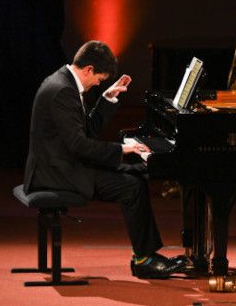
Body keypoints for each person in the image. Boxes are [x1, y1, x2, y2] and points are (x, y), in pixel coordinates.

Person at [23, 40, 187, 279]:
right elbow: (79, 145)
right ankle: (144, 258)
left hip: (63, 162)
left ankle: (145, 254)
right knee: (131, 187)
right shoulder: (62, 90)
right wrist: (122, 149)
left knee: (137, 170)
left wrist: (107, 99)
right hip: (56, 172)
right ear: (89, 69)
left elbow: (85, 131)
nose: (98, 84)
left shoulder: (64, 82)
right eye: (100, 80)